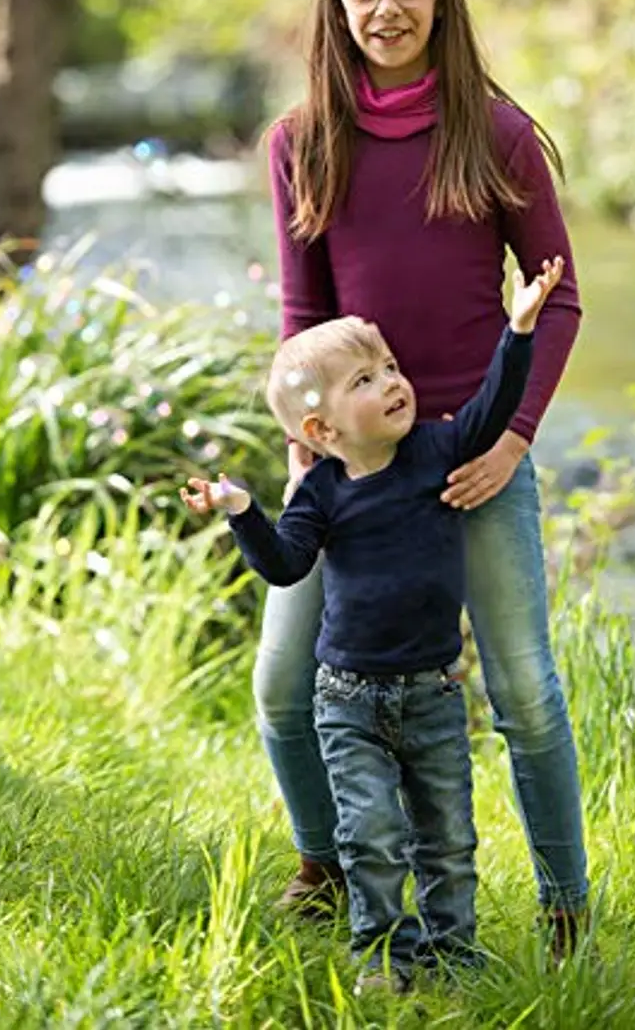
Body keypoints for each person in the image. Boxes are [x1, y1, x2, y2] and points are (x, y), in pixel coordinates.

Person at [259, 0, 589, 963]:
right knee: (278, 685)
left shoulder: (495, 133)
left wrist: (513, 438)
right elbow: (302, 315)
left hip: (469, 454)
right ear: (335, 4)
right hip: (346, 465)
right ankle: (326, 864)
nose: (386, 9)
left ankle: (562, 909)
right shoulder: (302, 139)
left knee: (525, 693)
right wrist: (303, 448)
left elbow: (560, 295)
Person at [181, 258, 563, 990]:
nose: (392, 382)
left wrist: (518, 330)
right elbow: (287, 566)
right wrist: (241, 512)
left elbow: (493, 405)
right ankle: (383, 953)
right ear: (321, 428)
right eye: (366, 380)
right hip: (347, 699)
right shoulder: (320, 491)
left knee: (448, 836)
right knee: (371, 836)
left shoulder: (437, 447)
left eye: (389, 367)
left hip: (433, 693)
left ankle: (453, 954)